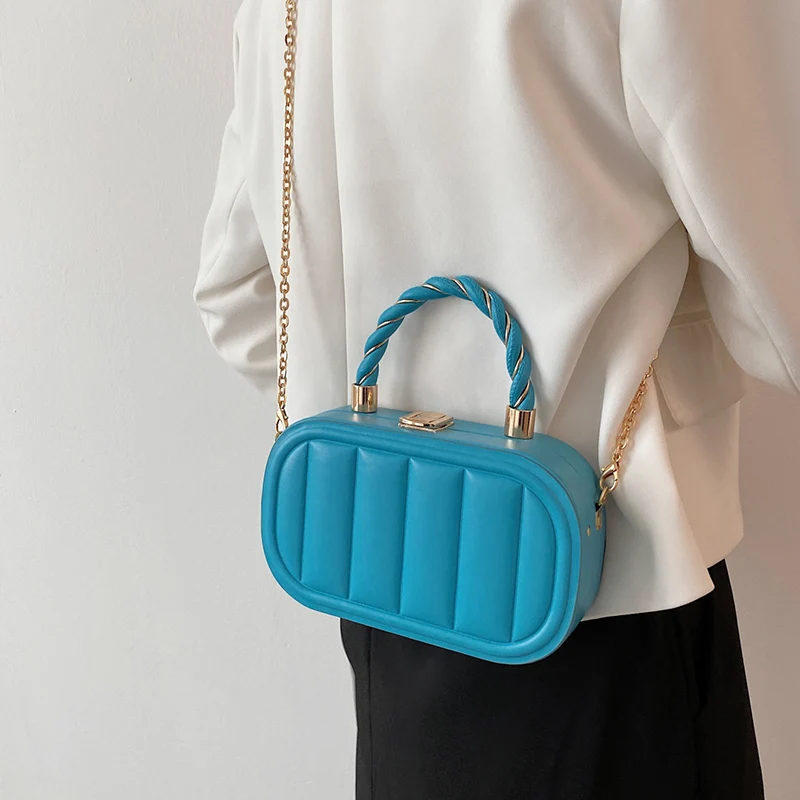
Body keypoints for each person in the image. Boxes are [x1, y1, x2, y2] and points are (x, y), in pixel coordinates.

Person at [194, 1, 799, 797]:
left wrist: (396, 443)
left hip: (386, 603)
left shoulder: (281, 11)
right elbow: (777, 310)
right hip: (608, 587)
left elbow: (236, 296)